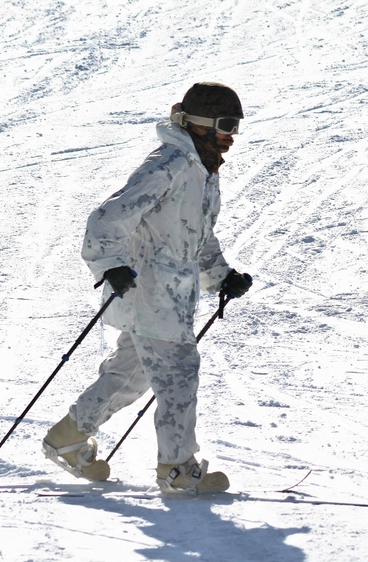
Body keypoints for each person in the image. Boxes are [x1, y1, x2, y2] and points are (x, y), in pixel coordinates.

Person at [41, 82, 252, 494]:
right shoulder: (169, 164)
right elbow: (107, 218)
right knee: (177, 376)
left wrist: (220, 275)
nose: (232, 136)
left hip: (168, 297)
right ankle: (176, 468)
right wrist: (111, 265)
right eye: (226, 124)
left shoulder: (202, 172)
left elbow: (199, 235)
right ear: (201, 125)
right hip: (151, 293)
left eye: (237, 126)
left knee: (130, 375)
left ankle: (68, 437)